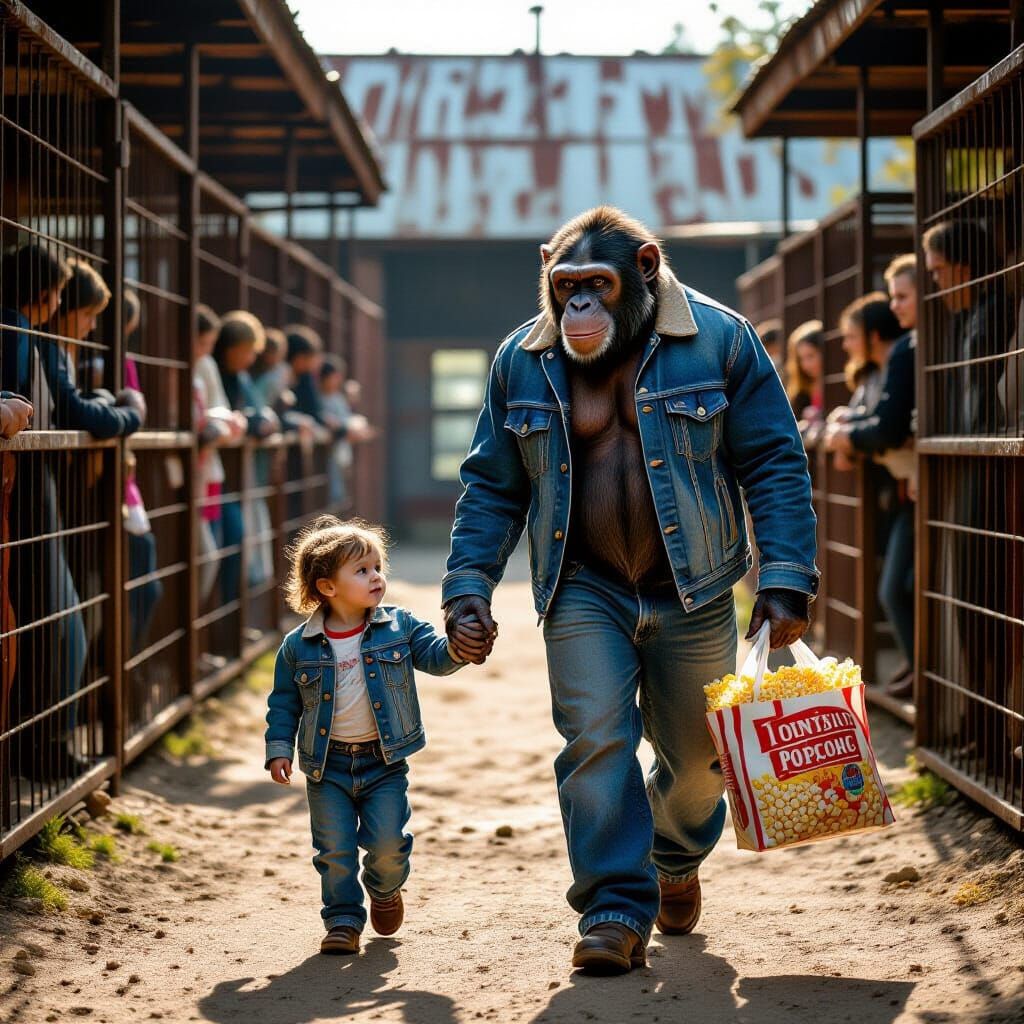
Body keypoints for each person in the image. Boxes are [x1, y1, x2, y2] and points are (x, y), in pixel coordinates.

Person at [443, 207, 817, 973]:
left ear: (645, 270)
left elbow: (774, 462)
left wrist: (783, 575)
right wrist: (467, 585)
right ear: (547, 272)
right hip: (583, 585)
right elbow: (491, 485)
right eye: (565, 287)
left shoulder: (720, 339)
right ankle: (613, 908)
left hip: (697, 587)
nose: (577, 306)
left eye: (595, 288)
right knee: (595, 742)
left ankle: (674, 858)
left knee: (698, 762)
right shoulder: (522, 358)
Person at [264, 516, 485, 955]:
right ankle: (343, 921)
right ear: (327, 588)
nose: (376, 577)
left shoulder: (399, 626)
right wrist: (278, 749)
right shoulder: (298, 645)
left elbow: (436, 657)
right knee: (334, 851)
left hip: (384, 762)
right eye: (362, 571)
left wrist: (461, 646)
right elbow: (284, 701)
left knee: (387, 845)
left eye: (377, 567)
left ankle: (385, 889)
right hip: (327, 768)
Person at [826, 265, 918, 696]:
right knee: (898, 587)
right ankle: (918, 669)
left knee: (900, 587)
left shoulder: (902, 357)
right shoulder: (877, 371)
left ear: (872, 336)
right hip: (902, 491)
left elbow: (886, 430)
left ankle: (922, 672)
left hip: (914, 489)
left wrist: (847, 436)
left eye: (850, 334)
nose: (844, 344)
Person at [212, 311, 279, 602]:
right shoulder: (214, 371)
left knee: (235, 541)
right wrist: (255, 422)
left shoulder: (239, 377)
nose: (251, 359)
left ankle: (230, 622)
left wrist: (259, 420)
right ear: (230, 348)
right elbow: (230, 417)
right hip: (214, 473)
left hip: (230, 475)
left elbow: (254, 412)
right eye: (247, 352)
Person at [784, 320, 825, 452]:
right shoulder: (801, 390)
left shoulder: (837, 383)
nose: (805, 365)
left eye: (811, 356)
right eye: (801, 359)